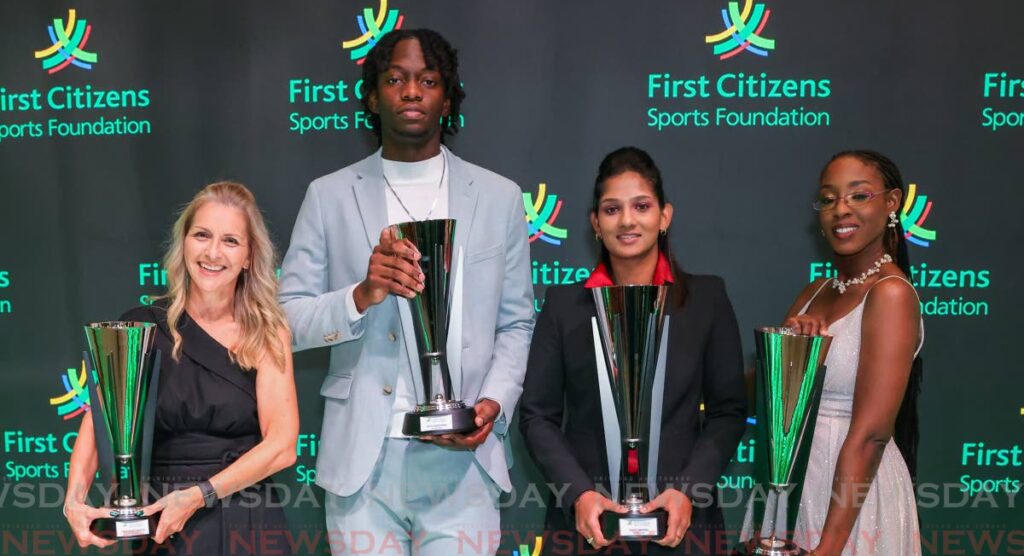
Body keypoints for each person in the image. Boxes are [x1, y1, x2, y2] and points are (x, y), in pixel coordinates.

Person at [278, 28, 534, 556]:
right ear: (373, 96)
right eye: (395, 79)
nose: (412, 91)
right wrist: (361, 295)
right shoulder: (327, 196)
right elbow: (286, 320)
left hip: (464, 462)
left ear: (447, 96)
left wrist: (493, 405)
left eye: (428, 80)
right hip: (363, 462)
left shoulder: (499, 197)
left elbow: (516, 323)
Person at [519, 147, 747, 555]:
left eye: (641, 206)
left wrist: (687, 491)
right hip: (587, 526)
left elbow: (727, 412)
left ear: (664, 216)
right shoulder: (564, 305)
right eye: (611, 209)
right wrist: (579, 494)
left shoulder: (706, 299)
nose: (627, 220)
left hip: (682, 524)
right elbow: (538, 415)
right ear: (595, 223)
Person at [63, 182, 299, 555]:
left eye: (231, 241)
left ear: (250, 257)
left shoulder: (267, 331)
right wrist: (73, 500)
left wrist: (198, 496)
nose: (212, 252)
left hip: (243, 517)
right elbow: (98, 426)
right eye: (202, 235)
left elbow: (282, 447)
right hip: (161, 521)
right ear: (184, 242)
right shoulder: (139, 326)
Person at [742, 150, 923, 555]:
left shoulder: (890, 294)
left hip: (850, 504)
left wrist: (830, 546)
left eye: (859, 196)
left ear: (891, 203)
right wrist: (787, 351)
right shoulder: (816, 291)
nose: (841, 209)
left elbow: (872, 434)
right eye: (828, 199)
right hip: (789, 483)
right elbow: (760, 400)